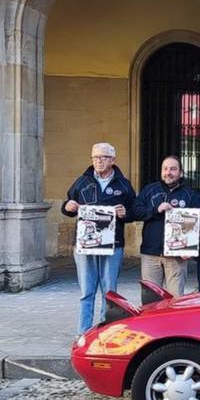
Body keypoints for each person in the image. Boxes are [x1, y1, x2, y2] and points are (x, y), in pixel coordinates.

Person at [61, 142, 136, 334]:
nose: (99, 161)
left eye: (103, 157)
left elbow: (135, 210)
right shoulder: (82, 182)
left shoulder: (123, 184)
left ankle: (105, 331)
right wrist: (68, 206)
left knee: (109, 291)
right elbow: (68, 204)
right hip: (85, 245)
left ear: (113, 160)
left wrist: (125, 213)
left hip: (113, 245)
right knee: (86, 291)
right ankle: (84, 332)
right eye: (95, 157)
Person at [132, 156, 195, 297]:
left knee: (176, 299)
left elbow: (197, 224)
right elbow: (135, 212)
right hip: (151, 254)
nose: (168, 172)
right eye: (165, 169)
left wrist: (189, 248)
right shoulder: (150, 190)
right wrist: (156, 209)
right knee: (150, 299)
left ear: (181, 172)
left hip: (177, 256)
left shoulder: (190, 194)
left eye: (173, 169)